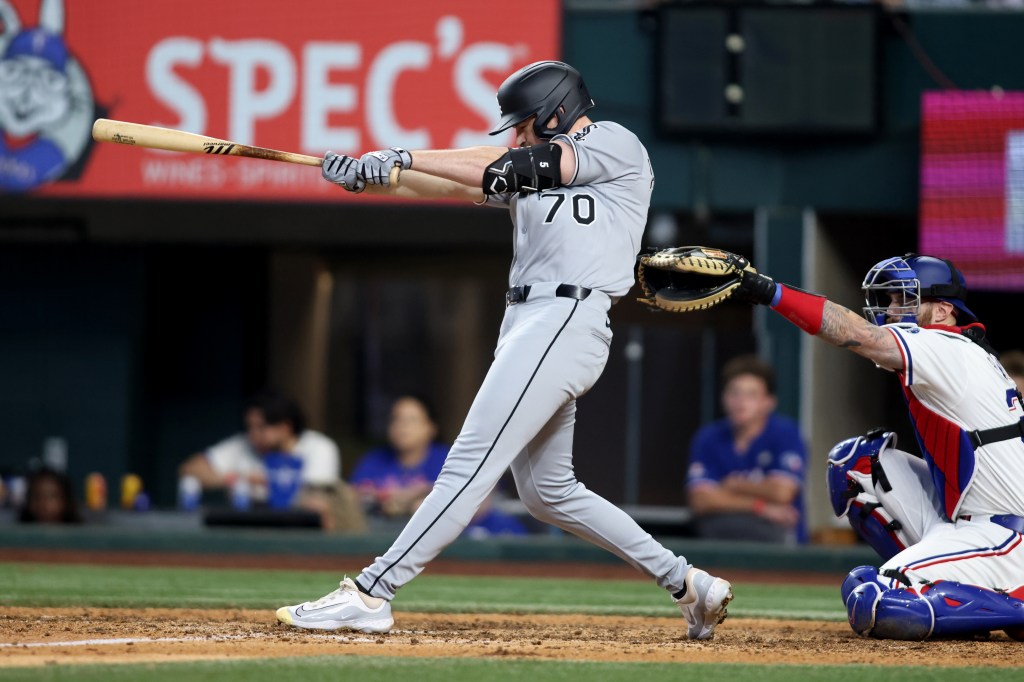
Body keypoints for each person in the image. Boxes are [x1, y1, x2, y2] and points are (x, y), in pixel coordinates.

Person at [276, 60, 732, 640]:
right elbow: (451, 180)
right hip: (530, 321)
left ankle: (371, 593)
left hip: (566, 315)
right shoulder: (524, 169)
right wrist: (371, 175)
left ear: (558, 112)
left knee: (468, 465)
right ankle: (689, 584)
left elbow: (528, 162)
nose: (516, 136)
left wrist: (404, 154)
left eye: (524, 125)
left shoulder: (612, 143)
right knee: (548, 493)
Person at [731, 252, 1024, 640]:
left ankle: (1011, 605)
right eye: (889, 300)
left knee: (877, 598)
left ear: (941, 311)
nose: (890, 309)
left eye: (904, 299)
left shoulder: (944, 347)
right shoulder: (957, 348)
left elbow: (852, 332)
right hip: (970, 519)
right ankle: (953, 585)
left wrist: (767, 291)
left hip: (1005, 532)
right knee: (857, 465)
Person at [178, 388, 358, 530]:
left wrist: (269, 482)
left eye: (261, 427)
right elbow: (191, 468)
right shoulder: (244, 444)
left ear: (285, 426)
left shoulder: (319, 447)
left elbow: (316, 503)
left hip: (302, 532)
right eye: (250, 427)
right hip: (248, 530)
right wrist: (234, 478)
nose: (253, 434)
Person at [351, 394, 527, 537]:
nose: (402, 426)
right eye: (396, 419)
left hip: (467, 535)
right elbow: (354, 497)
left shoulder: (449, 456)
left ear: (430, 427)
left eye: (411, 420)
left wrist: (423, 493)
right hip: (391, 535)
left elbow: (485, 491)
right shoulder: (374, 459)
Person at [686, 355, 807, 544]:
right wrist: (761, 506)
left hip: (780, 543)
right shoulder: (708, 437)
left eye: (751, 395)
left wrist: (733, 485)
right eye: (734, 393)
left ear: (768, 402)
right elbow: (701, 500)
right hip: (720, 536)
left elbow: (782, 493)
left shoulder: (785, 433)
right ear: (724, 398)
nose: (741, 401)